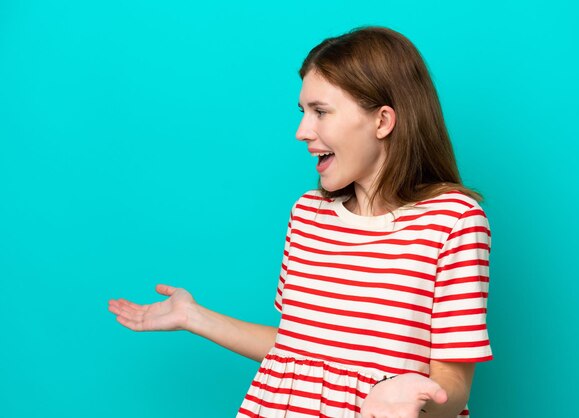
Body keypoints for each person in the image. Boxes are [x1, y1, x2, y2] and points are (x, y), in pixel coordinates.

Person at [108, 26, 492, 418]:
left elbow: (454, 388)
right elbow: (297, 347)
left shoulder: (453, 220)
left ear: (382, 121)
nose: (302, 132)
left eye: (320, 112)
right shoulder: (307, 214)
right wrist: (194, 316)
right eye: (303, 112)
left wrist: (410, 401)